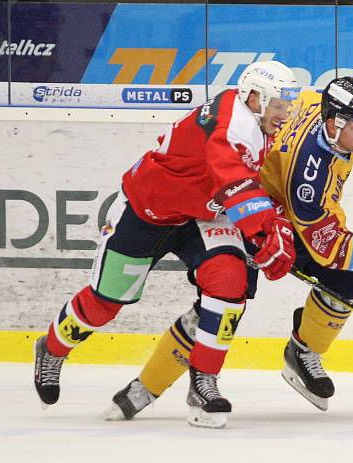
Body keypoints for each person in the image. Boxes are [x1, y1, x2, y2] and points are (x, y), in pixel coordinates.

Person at [102, 76, 353, 419]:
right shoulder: (307, 180)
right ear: (334, 124)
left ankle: (302, 352)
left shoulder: (317, 105)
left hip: (288, 213)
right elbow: (329, 247)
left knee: (348, 282)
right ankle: (146, 387)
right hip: (251, 217)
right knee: (222, 305)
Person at [34, 60, 302, 428]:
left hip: (199, 216)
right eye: (278, 105)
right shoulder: (233, 124)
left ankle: (203, 381)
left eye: (287, 105)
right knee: (106, 302)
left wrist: (264, 230)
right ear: (253, 97)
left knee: (228, 282)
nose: (284, 113)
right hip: (146, 213)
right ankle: (52, 348)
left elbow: (236, 186)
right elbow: (235, 181)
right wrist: (264, 229)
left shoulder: (255, 119)